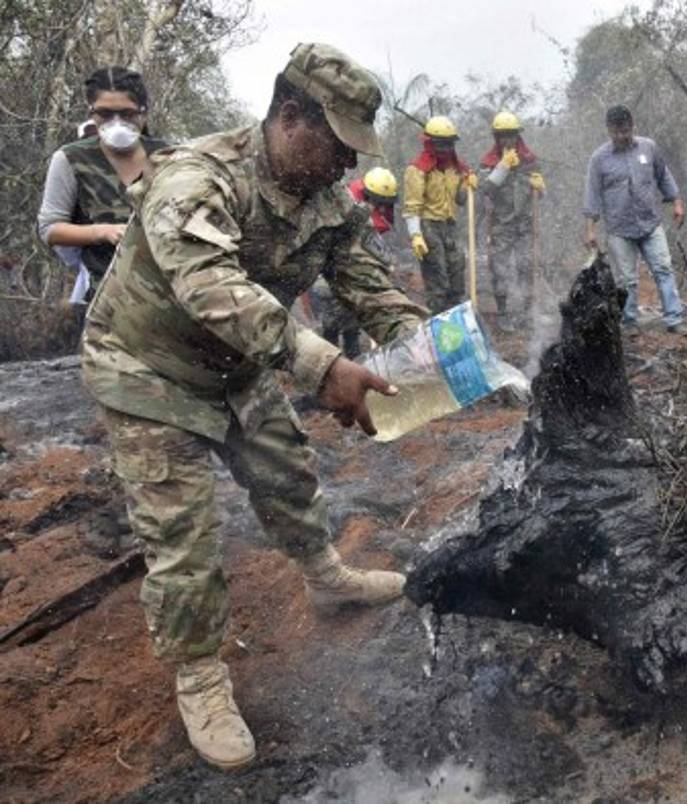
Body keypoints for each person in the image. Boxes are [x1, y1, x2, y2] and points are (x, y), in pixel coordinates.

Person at [80, 42, 431, 771]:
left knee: (285, 469)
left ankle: (325, 576)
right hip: (148, 368)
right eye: (339, 145)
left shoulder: (328, 201)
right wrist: (322, 364)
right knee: (182, 533)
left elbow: (368, 280)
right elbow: (210, 288)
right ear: (291, 116)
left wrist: (423, 350)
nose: (347, 165)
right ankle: (201, 675)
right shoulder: (196, 177)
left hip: (239, 367)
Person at [38, 67, 168, 305]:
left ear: (144, 113)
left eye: (127, 114)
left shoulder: (170, 156)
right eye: (105, 114)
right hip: (103, 295)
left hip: (169, 293)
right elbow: (50, 229)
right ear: (91, 113)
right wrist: (102, 232)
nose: (116, 122)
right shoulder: (71, 159)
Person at [583, 105, 687, 336]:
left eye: (626, 131)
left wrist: (677, 202)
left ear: (632, 126)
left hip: (650, 222)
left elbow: (664, 176)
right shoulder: (599, 159)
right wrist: (590, 229)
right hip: (619, 228)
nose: (622, 136)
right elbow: (592, 193)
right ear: (609, 130)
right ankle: (629, 322)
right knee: (627, 279)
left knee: (663, 269)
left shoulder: (648, 148)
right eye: (617, 132)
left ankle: (674, 319)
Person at [307, 166, 400, 358]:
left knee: (351, 323)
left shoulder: (377, 215)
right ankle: (327, 366)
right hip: (329, 271)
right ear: (368, 195)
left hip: (354, 273)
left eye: (386, 203)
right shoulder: (344, 205)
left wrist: (384, 265)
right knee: (330, 325)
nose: (382, 208)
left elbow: (377, 246)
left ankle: (354, 361)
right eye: (379, 203)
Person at [478, 111, 546, 332]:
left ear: (518, 136)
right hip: (502, 225)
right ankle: (503, 312)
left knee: (527, 266)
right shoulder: (489, 162)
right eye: (502, 136)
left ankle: (528, 312)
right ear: (496, 138)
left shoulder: (530, 161)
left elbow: (540, 194)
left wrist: (540, 186)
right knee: (500, 268)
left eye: (511, 135)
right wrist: (503, 167)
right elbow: (486, 189)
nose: (508, 140)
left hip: (525, 224)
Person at [404, 116, 478, 313]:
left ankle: (457, 324)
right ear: (430, 143)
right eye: (440, 144)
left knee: (457, 278)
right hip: (428, 226)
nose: (445, 149)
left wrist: (467, 184)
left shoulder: (456, 168)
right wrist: (416, 235)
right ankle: (439, 324)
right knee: (438, 282)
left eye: (448, 144)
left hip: (449, 226)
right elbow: (412, 205)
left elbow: (461, 200)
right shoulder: (417, 169)